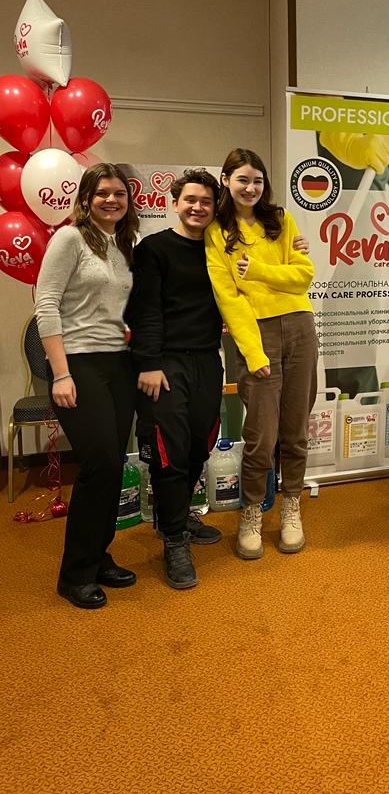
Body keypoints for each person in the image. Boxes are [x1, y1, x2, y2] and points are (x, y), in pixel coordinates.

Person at [35, 164, 140, 609]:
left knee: (113, 468)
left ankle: (99, 557)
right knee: (99, 464)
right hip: (78, 364)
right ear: (86, 199)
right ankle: (75, 573)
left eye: (119, 193)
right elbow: (46, 303)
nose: (111, 200)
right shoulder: (70, 238)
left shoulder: (125, 244)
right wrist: (61, 373)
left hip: (120, 364)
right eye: (102, 193)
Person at [205, 148, 317, 560]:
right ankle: (251, 512)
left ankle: (291, 506)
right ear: (226, 180)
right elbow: (229, 298)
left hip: (300, 326)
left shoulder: (281, 220)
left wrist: (258, 271)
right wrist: (253, 353)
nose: (250, 188)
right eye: (242, 179)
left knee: (296, 430)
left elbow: (303, 276)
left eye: (257, 180)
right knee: (260, 436)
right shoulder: (217, 232)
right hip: (257, 336)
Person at [125, 168, 225, 591]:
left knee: (200, 442)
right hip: (164, 364)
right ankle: (174, 539)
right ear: (175, 202)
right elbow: (144, 309)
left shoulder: (221, 249)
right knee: (169, 452)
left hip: (207, 360)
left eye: (206, 202)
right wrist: (148, 362)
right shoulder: (154, 249)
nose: (198, 207)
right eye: (190, 200)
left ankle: (179, 515)